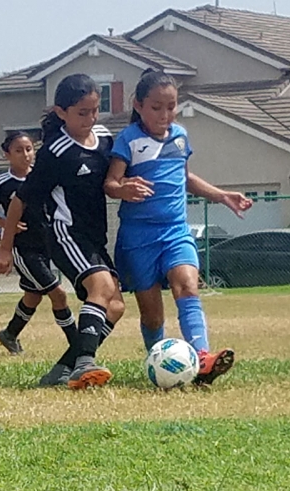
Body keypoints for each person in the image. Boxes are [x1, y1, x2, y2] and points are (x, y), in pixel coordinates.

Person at [104, 70, 253, 385]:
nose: (165, 114)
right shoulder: (128, 139)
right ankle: (159, 365)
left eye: (171, 106)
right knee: (152, 314)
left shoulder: (180, 136)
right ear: (139, 105)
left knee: (187, 285)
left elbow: (185, 178)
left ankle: (202, 359)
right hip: (138, 238)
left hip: (175, 231)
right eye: (156, 107)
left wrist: (222, 195)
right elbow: (110, 182)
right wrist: (123, 188)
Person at [0, 73, 125, 390]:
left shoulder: (105, 139)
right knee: (101, 289)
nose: (91, 119)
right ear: (61, 112)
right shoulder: (55, 152)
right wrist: (5, 248)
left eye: (95, 110)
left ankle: (62, 370)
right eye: (82, 113)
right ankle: (85, 364)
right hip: (66, 234)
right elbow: (18, 202)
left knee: (116, 306)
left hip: (94, 238)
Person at [0, 132, 78, 382]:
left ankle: (9, 334)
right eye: (19, 150)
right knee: (58, 294)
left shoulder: (41, 177)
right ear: (7, 155)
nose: (26, 154)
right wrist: (4, 223)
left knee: (33, 296)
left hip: (47, 245)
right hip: (23, 249)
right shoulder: (2, 183)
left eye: (29, 149)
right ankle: (78, 346)